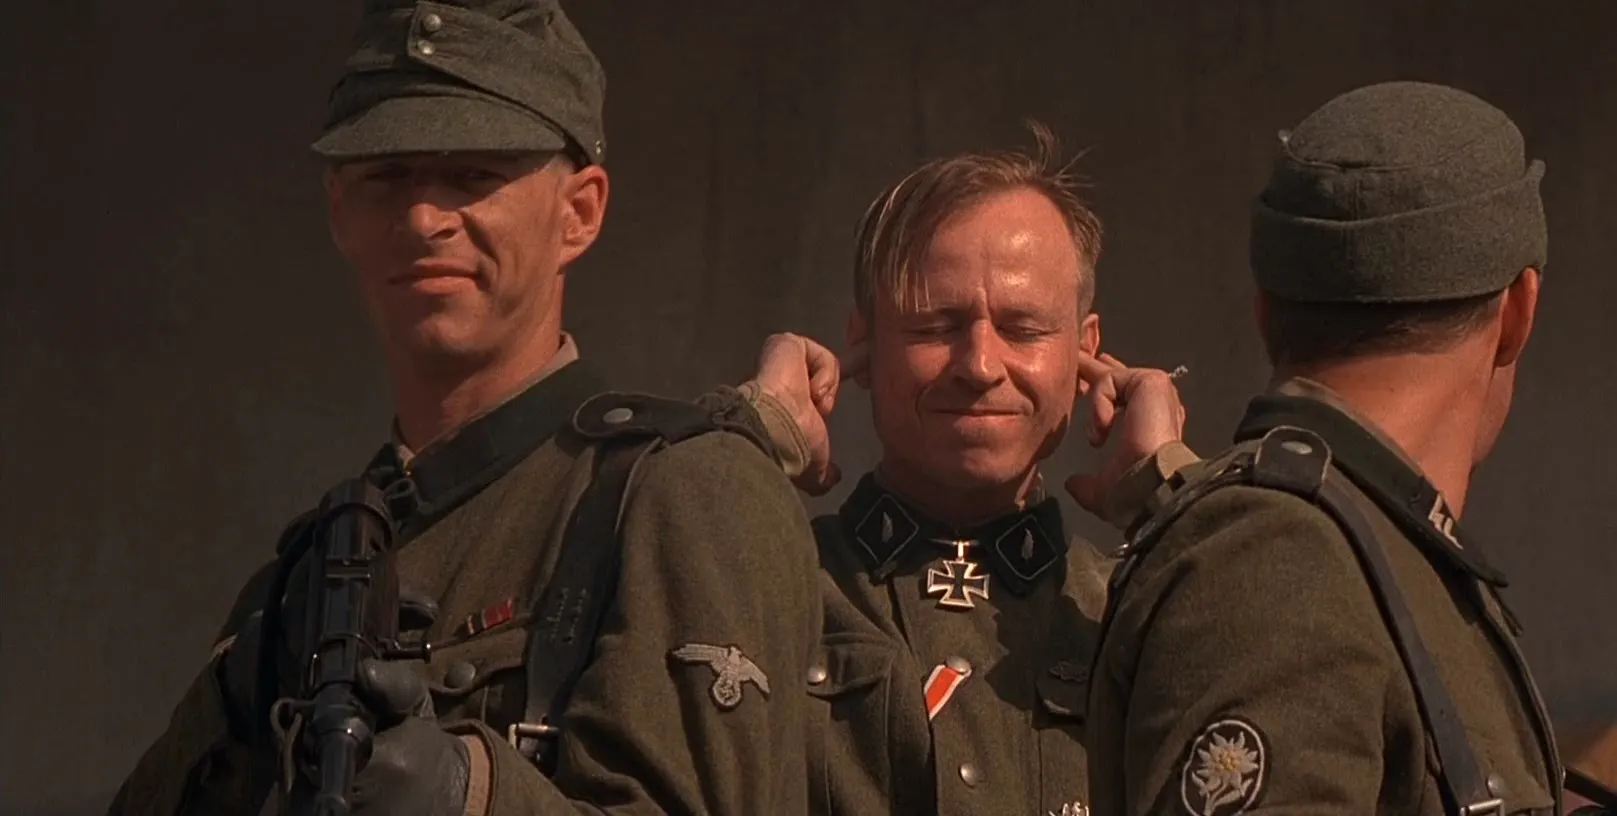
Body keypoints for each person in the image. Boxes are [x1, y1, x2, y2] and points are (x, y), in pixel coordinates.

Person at [106, 0, 821, 812]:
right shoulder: (304, 575)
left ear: (579, 212)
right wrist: (238, 697)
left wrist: (469, 793)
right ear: (341, 212)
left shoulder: (683, 493)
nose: (422, 218)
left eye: (473, 175)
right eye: (385, 177)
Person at [1074, 81, 1575, 816]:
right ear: (1518, 312)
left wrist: (1168, 485)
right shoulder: (1278, 566)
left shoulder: (1332, 552)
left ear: (1264, 311)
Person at [741, 126, 1115, 816]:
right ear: (863, 343)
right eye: (935, 326)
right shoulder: (770, 588)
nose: (980, 365)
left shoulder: (1132, 608)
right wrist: (750, 435)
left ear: (1085, 355)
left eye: (1024, 328)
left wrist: (1172, 492)